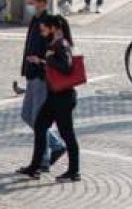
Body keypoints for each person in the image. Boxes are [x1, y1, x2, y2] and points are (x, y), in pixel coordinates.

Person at [19, 15, 80, 181]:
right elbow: (54, 66)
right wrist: (41, 61)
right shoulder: (54, 44)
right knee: (40, 126)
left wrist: (47, 59)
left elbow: (66, 67)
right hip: (54, 96)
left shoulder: (62, 44)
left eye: (44, 28)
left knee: (67, 134)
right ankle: (35, 167)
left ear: (53, 28)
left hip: (63, 98)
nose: (41, 31)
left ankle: (74, 171)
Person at [20, 0, 66, 172]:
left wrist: (42, 63)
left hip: (41, 75)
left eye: (32, 3)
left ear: (42, 3)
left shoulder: (49, 22)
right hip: (32, 74)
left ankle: (43, 161)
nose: (29, 6)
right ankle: (56, 145)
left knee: (39, 120)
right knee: (27, 115)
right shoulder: (34, 20)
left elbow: (56, 47)